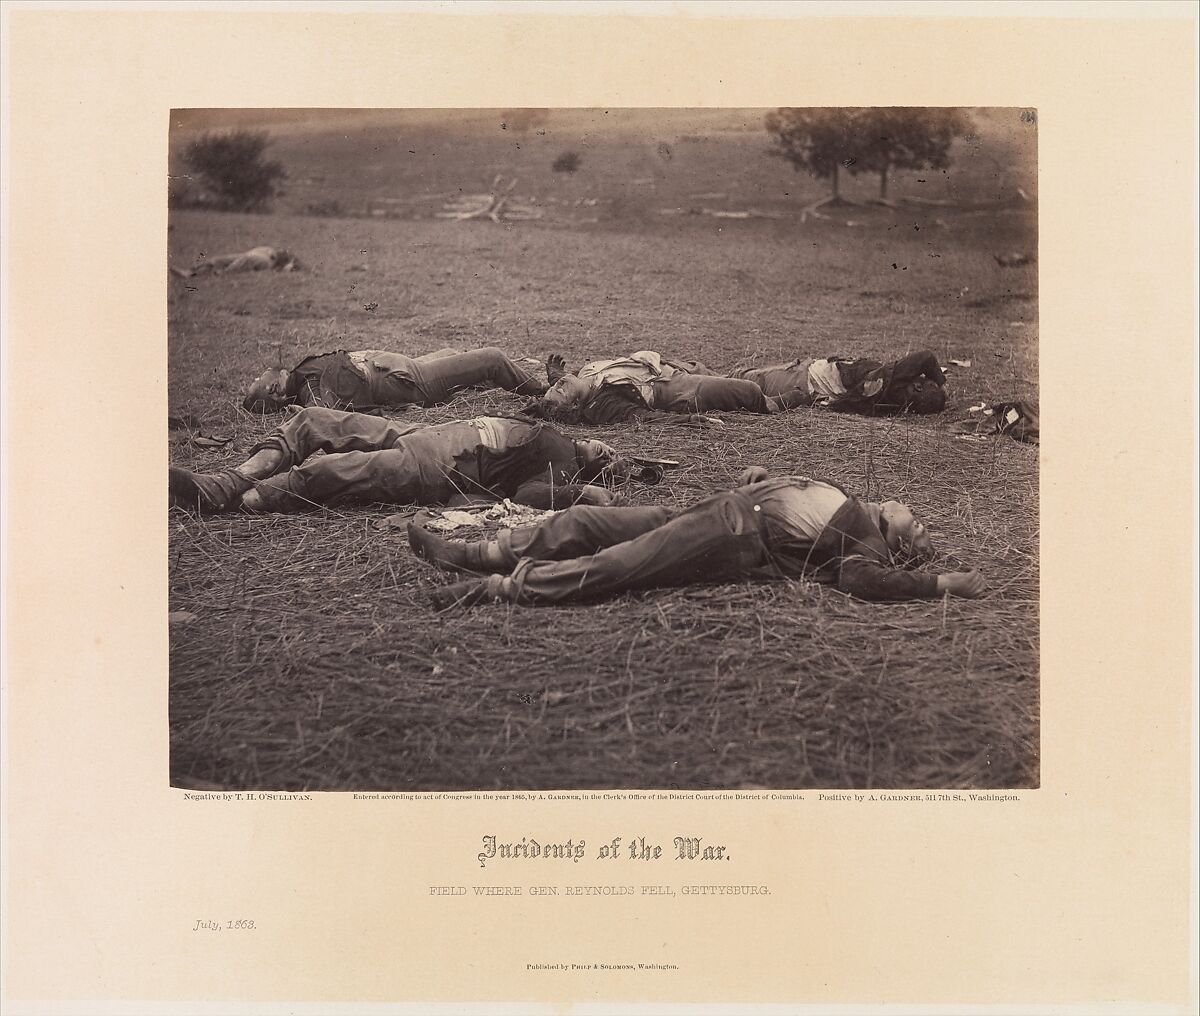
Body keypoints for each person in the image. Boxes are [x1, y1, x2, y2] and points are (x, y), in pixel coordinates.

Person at [408, 466, 986, 607]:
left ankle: (494, 588)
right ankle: (471, 552)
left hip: (732, 534)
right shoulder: (849, 497)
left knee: (620, 563)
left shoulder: (869, 541)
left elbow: (864, 581)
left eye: (923, 529)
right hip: (717, 507)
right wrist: (767, 474)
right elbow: (792, 494)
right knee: (584, 523)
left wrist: (939, 581)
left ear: (900, 539)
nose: (919, 516)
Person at [168, 407, 631, 514]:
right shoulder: (558, 435)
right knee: (313, 420)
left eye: (609, 461)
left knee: (328, 470)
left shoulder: (565, 469)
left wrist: (580, 492)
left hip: (438, 467)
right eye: (612, 449)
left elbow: (526, 495)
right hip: (427, 435)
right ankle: (229, 478)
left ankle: (233, 501)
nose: (608, 452)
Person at [524, 350, 811, 425]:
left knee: (734, 374)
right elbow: (646, 418)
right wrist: (689, 420)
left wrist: (555, 376)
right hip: (678, 388)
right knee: (747, 390)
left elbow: (560, 387)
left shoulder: (583, 376)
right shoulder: (604, 405)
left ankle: (795, 375)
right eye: (561, 389)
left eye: (557, 384)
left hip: (673, 366)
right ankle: (782, 402)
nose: (561, 383)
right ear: (576, 406)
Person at [243, 346, 547, 414]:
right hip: (408, 380)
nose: (260, 373)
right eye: (258, 380)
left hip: (403, 369)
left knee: (453, 353)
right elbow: (321, 413)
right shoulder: (307, 387)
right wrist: (304, 413)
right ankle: (545, 393)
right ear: (274, 389)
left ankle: (508, 375)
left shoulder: (302, 376)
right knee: (491, 359)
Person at [731, 349, 948, 415]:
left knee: (740, 378)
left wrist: (941, 384)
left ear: (918, 385)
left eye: (921, 379)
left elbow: (927, 357)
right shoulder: (895, 405)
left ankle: (697, 372)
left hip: (802, 378)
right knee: (741, 383)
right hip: (807, 386)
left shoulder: (892, 378)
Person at [172, 245, 302, 277]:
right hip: (250, 254)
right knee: (217, 260)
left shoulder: (284, 259)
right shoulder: (268, 249)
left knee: (243, 261)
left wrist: (286, 262)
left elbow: (292, 265)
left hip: (258, 259)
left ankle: (222, 274)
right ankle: (189, 272)